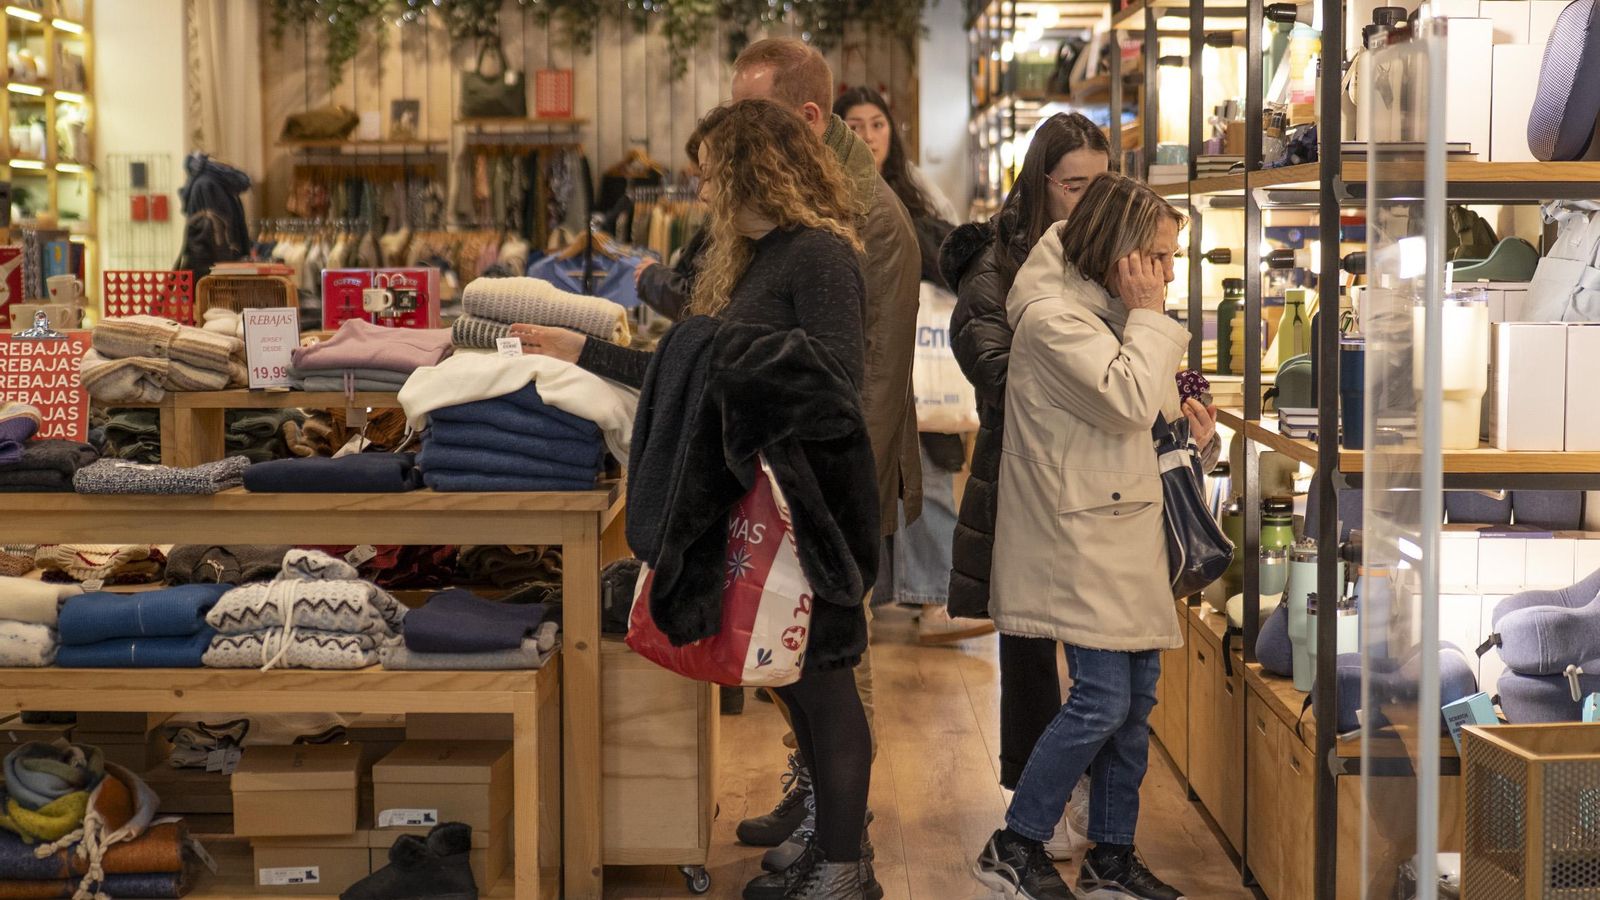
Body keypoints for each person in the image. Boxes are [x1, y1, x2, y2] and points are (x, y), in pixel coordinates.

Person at [516, 100, 880, 900]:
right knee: (789, 674)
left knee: (822, 676)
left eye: (714, 173)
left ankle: (846, 867)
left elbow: (833, 383)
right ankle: (831, 840)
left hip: (809, 508)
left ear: (757, 170)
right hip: (767, 499)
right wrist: (592, 352)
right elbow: (695, 372)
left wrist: (709, 347)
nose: (703, 189)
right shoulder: (757, 256)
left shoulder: (818, 256)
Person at [972, 173, 1217, 900]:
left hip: (1118, 530)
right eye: (1161, 257)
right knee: (1101, 701)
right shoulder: (1053, 320)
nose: (1169, 275)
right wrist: (1150, 321)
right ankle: (1014, 841)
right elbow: (1126, 399)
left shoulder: (1108, 313)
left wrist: (1191, 438)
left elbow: (1137, 424)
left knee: (1134, 703)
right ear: (1120, 251)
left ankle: (1111, 854)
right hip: (1077, 538)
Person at [939, 111, 1110, 851]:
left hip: (1096, 475)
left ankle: (1077, 796)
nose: (1088, 201)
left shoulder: (1102, 254)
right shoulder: (995, 270)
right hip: (1026, 474)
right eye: (1076, 186)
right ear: (1041, 183)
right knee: (1034, 641)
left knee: (1099, 644)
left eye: (1101, 186)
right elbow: (1006, 382)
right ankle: (1035, 798)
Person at [832, 86, 990, 645]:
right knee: (862, 477)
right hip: (855, 358)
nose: (868, 136)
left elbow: (948, 255)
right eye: (855, 124)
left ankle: (935, 601)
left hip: (915, 357)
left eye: (877, 124)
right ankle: (867, 600)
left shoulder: (911, 191)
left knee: (930, 473)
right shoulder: (823, 193)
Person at [835, 86, 960, 225]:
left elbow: (951, 224)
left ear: (891, 130)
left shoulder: (911, 177)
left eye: (877, 125)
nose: (868, 137)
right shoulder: (830, 187)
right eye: (855, 127)